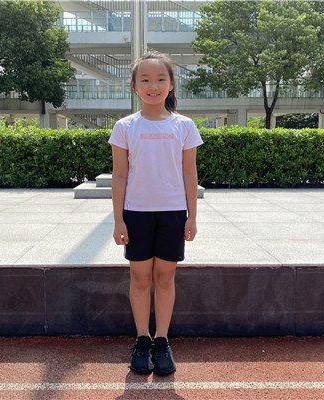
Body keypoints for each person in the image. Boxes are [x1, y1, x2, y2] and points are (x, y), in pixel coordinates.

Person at [108, 50, 203, 375]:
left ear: (171, 84)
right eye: (145, 80)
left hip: (173, 213)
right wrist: (118, 219)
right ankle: (142, 340)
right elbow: (120, 175)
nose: (153, 86)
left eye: (161, 79)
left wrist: (192, 216)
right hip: (136, 213)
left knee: (164, 278)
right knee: (139, 278)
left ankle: (162, 340)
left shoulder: (184, 126)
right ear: (135, 86)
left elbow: (189, 174)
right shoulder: (125, 127)